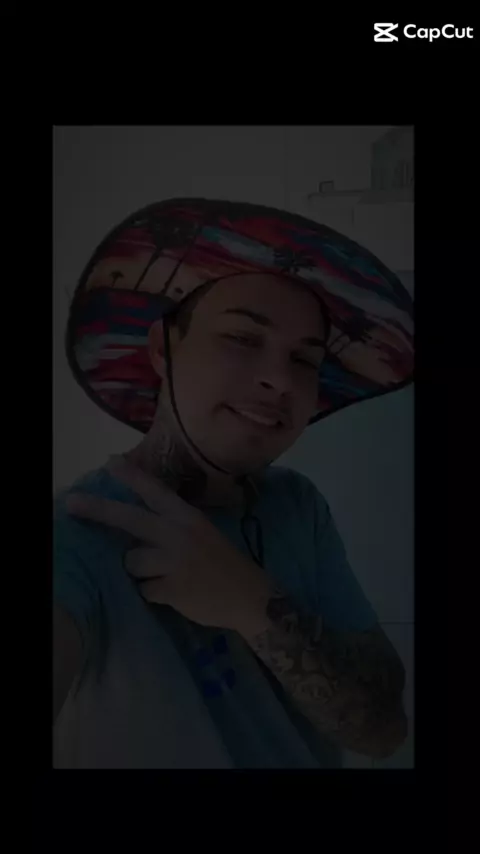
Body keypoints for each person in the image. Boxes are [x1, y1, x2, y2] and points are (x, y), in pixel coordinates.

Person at [53, 198, 414, 768]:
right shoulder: (78, 529)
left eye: (304, 360)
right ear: (162, 350)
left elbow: (384, 729)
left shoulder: (298, 506)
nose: (279, 380)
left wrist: (247, 602)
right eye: (243, 338)